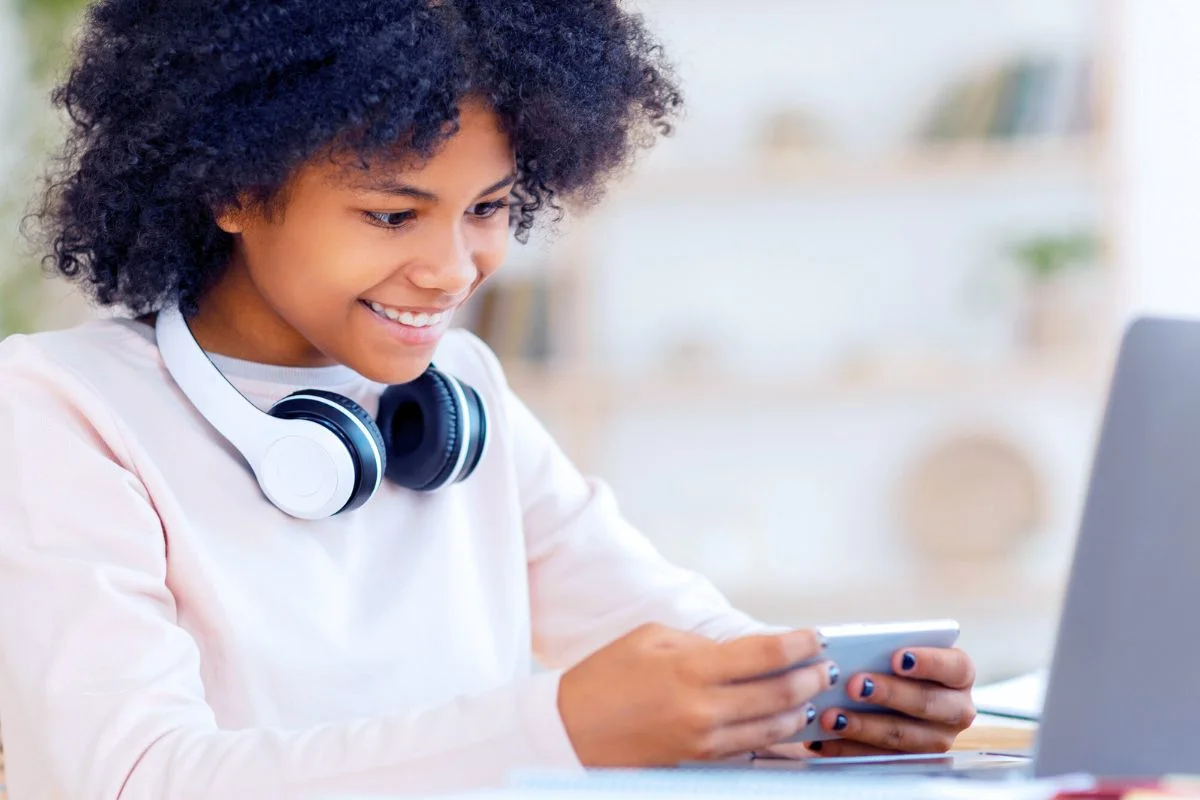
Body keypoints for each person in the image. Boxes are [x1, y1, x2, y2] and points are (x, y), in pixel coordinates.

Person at [0, 0, 978, 797]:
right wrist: (560, 725)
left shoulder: (458, 393)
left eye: (489, 209)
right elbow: (126, 776)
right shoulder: (60, 408)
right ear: (235, 188)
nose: (451, 268)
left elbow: (685, 635)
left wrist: (817, 706)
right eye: (392, 213)